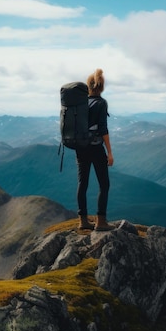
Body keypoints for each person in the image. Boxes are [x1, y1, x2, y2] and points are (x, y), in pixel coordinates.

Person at [76, 68, 114, 232]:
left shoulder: (81, 103)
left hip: (80, 148)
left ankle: (83, 221)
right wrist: (110, 153)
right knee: (104, 184)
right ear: (101, 86)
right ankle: (101, 221)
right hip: (96, 148)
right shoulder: (101, 103)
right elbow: (103, 129)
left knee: (82, 184)